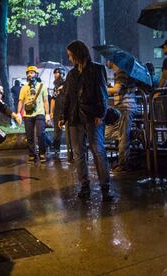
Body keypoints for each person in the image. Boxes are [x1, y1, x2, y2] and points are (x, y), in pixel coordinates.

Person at [58, 40, 112, 201]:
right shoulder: (72, 74)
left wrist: (100, 115)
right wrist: (63, 116)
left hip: (92, 117)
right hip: (75, 118)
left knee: (98, 150)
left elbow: (103, 94)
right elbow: (67, 97)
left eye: (70, 55)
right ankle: (84, 186)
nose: (69, 58)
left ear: (77, 53)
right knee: (78, 154)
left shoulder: (97, 69)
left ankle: (105, 187)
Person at [105, 60, 137, 172]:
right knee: (111, 132)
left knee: (123, 135)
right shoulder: (119, 74)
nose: (106, 61)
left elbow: (116, 90)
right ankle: (134, 135)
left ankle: (123, 164)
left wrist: (103, 88)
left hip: (126, 107)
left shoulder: (122, 73)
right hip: (122, 107)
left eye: (107, 59)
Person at [17, 65, 50, 163]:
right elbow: (20, 101)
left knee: (41, 134)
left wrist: (47, 113)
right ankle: (32, 154)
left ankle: (42, 153)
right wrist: (18, 113)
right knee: (29, 136)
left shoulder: (42, 86)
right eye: (28, 73)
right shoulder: (24, 88)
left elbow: (45, 101)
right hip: (28, 114)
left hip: (40, 113)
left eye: (31, 73)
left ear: (36, 74)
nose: (29, 75)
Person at [49, 67, 69, 159]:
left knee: (69, 131)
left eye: (57, 73)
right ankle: (56, 149)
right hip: (57, 111)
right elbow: (53, 99)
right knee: (57, 131)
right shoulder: (55, 87)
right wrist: (51, 112)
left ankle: (71, 150)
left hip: (66, 110)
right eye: (55, 73)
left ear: (62, 74)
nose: (55, 75)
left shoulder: (67, 84)